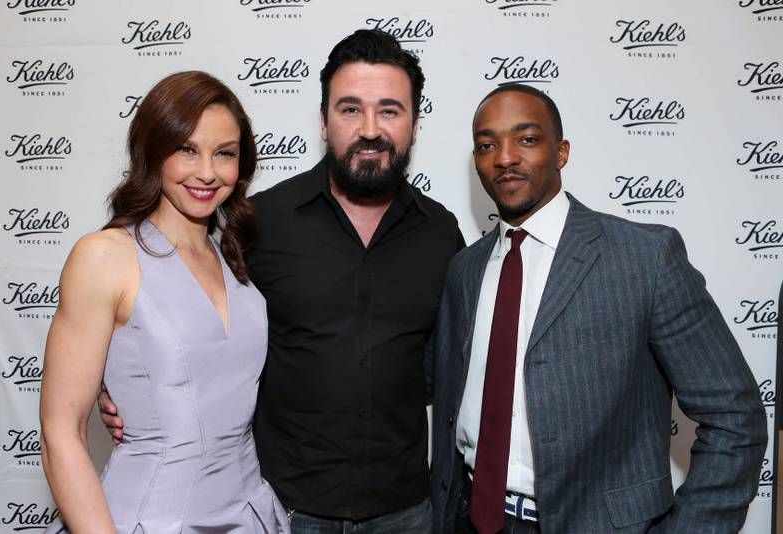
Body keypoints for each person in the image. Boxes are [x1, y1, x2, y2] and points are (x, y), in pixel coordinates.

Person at [100, 30, 464, 533]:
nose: (370, 129)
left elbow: (452, 363)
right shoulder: (260, 222)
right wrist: (124, 387)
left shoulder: (442, 233)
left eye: (390, 110)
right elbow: (186, 324)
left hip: (406, 512)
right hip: (282, 509)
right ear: (324, 122)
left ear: (415, 124)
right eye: (350, 109)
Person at [428, 83, 767, 533]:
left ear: (561, 152)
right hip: (471, 519)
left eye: (526, 139)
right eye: (487, 145)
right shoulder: (464, 270)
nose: (504, 158)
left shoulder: (644, 257)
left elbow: (734, 417)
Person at [40, 71, 289, 533]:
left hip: (248, 514)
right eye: (187, 149)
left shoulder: (233, 256)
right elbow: (61, 432)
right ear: (153, 151)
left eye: (225, 153)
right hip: (150, 518)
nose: (207, 172)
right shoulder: (105, 256)